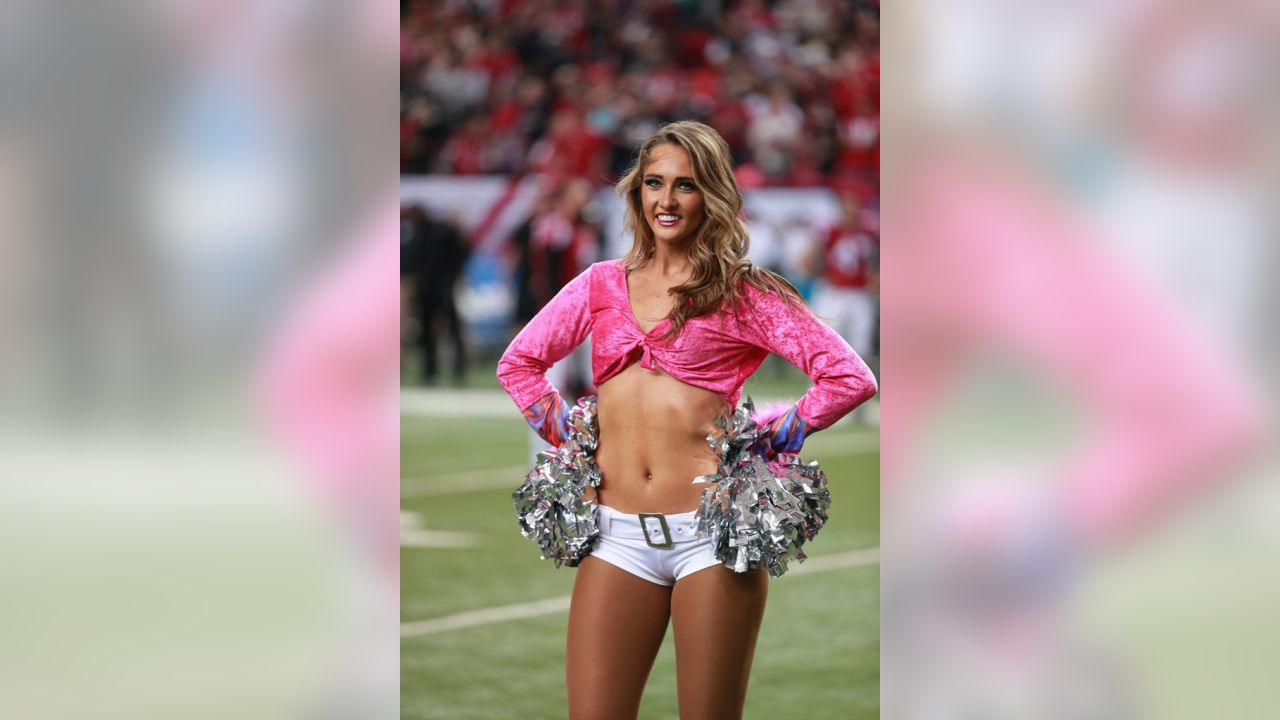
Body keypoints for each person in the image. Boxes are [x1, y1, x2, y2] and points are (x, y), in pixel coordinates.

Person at [496, 121, 877, 719]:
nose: (666, 201)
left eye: (685, 186)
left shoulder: (745, 292)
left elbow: (850, 377)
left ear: (713, 196)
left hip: (712, 538)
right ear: (635, 192)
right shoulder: (602, 284)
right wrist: (572, 436)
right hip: (615, 535)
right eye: (653, 183)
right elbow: (519, 364)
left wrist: (772, 438)